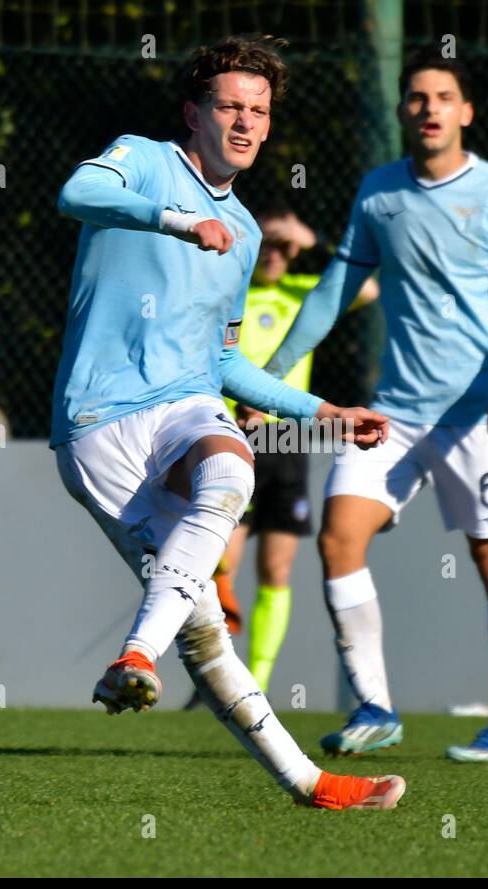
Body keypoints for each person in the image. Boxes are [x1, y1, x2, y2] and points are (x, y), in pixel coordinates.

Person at [51, 35, 404, 810]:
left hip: (184, 403)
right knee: (205, 630)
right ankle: (304, 780)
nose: (245, 122)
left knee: (232, 465)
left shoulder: (244, 232)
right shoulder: (142, 158)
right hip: (97, 422)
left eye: (260, 111)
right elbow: (74, 194)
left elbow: (225, 362)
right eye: (229, 107)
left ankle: (137, 658)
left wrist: (325, 412)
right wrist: (175, 222)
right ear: (193, 113)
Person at [265, 52, 488, 762]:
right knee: (338, 538)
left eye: (443, 97)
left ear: (466, 112)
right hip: (392, 415)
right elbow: (334, 293)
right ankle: (374, 707)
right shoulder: (378, 193)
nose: (429, 108)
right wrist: (269, 381)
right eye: (417, 98)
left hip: (479, 415)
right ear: (402, 112)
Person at [197, 205, 379, 701]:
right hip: (237, 434)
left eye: (284, 247)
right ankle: (215, 672)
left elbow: (367, 288)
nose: (275, 255)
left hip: (288, 441)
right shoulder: (232, 294)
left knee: (277, 570)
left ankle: (255, 681)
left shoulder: (303, 294)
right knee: (220, 563)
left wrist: (315, 238)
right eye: (267, 245)